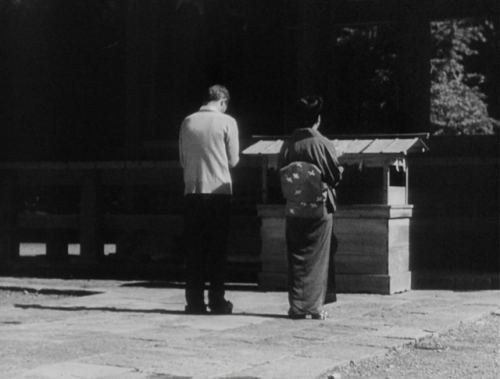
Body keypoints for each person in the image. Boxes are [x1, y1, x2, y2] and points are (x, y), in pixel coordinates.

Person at [278, 95, 343, 320]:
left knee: (296, 256)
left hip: (295, 206)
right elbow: (334, 176)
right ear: (317, 119)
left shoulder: (289, 144)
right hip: (319, 206)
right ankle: (314, 307)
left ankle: (296, 306)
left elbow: (281, 171)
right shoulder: (322, 143)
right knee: (317, 257)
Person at [179, 85, 239, 315]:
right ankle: (217, 300)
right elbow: (233, 160)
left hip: (192, 190)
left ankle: (194, 301)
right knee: (217, 250)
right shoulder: (227, 122)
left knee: (194, 250)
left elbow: (183, 159)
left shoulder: (187, 122)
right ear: (222, 102)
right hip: (218, 192)